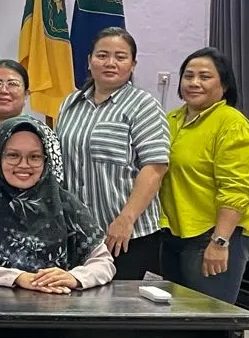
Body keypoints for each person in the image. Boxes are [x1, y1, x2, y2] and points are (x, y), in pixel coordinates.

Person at [0, 118, 116, 293]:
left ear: (46, 160)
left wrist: (75, 277)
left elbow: (103, 262)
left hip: (56, 304)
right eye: (13, 155)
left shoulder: (64, 202)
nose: (24, 165)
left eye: (34, 157)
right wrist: (15, 278)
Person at [55, 27, 173, 279]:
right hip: (78, 233)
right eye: (102, 55)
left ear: (133, 64)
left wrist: (125, 220)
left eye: (120, 57)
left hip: (126, 235)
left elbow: (155, 168)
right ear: (89, 61)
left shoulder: (144, 106)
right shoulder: (69, 104)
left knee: (120, 302)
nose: (110, 63)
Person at [158, 48, 249, 303]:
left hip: (214, 235)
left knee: (208, 315)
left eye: (205, 77)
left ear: (224, 85)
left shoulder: (231, 124)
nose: (194, 83)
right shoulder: (171, 119)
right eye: (188, 76)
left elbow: (237, 189)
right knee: (175, 314)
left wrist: (220, 242)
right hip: (174, 234)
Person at [0, 59, 65, 191]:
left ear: (26, 94)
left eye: (13, 84)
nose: (3, 90)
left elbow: (54, 187)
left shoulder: (42, 133)